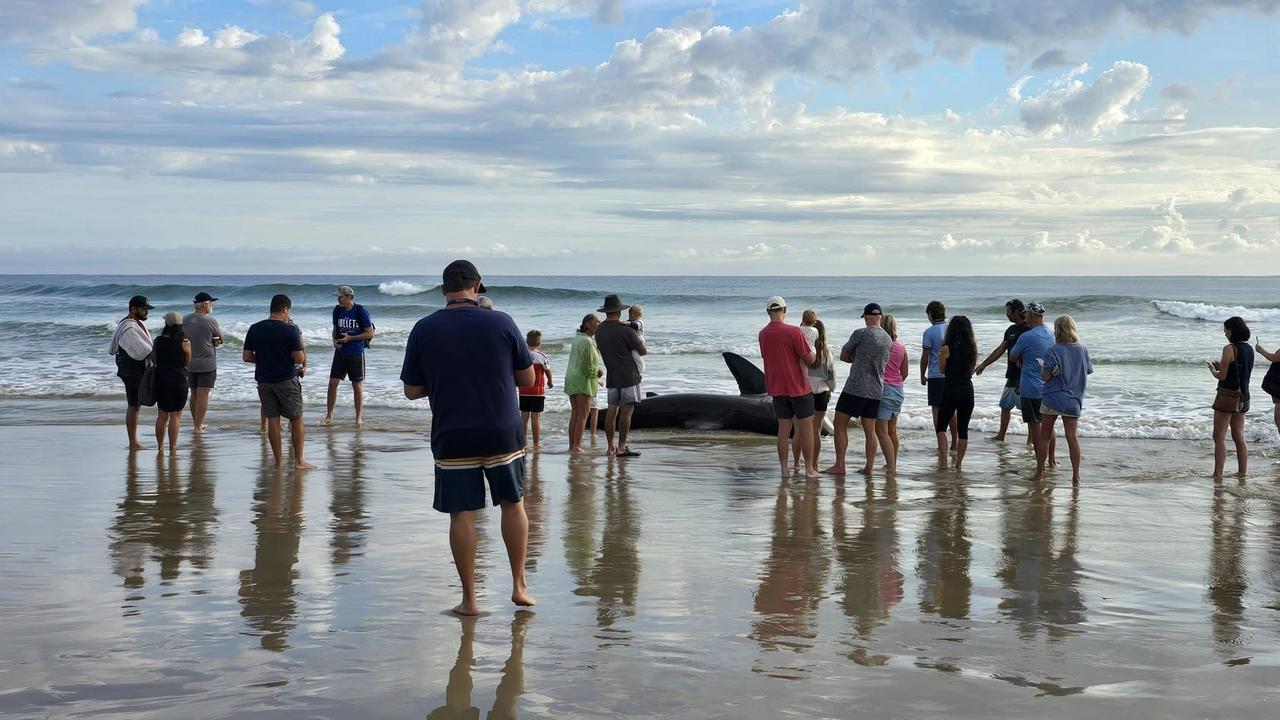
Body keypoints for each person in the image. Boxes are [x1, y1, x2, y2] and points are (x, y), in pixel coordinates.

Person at [400, 259, 536, 616]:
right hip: (501, 429)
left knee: (461, 514)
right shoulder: (502, 322)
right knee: (513, 503)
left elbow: (412, 391)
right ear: (478, 287)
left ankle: (470, 600)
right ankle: (519, 584)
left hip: (452, 431)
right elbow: (525, 380)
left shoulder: (423, 329)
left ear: (445, 289)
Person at [243, 294, 314, 470]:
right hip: (286, 379)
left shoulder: (254, 328)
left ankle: (279, 462)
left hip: (264, 380)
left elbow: (247, 357)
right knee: (296, 418)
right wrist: (297, 359)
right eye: (288, 311)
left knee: (273, 420)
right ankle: (298, 461)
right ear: (284, 309)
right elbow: (298, 357)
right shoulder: (290, 330)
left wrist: (266, 359)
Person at [824, 303, 892, 476]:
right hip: (877, 389)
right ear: (881, 317)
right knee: (870, 431)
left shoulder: (860, 333)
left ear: (867, 317)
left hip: (856, 387)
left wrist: (857, 358)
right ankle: (869, 467)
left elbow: (844, 355)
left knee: (839, 423)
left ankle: (840, 465)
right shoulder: (888, 339)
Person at [758, 296, 818, 478]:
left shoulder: (763, 334)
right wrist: (814, 351)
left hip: (777, 387)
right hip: (799, 386)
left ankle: (784, 470)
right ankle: (809, 469)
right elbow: (809, 359)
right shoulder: (794, 332)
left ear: (768, 312)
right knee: (806, 430)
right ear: (785, 310)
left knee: (783, 431)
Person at [1036, 315, 1093, 483]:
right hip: (1073, 399)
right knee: (1072, 437)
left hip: (1053, 398)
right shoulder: (1082, 349)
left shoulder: (1053, 350)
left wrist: (1044, 369)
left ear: (1057, 331)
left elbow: (1046, 376)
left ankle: (1039, 473)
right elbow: (1087, 371)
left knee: (1045, 436)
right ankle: (1076, 475)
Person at [594, 294, 648, 457]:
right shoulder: (625, 330)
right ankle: (622, 447)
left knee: (612, 410)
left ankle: (610, 447)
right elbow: (643, 351)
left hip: (612, 374)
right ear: (619, 311)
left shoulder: (599, 330)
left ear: (606, 311)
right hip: (629, 375)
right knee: (626, 412)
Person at [975, 299, 1029, 444]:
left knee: (1028, 410)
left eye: (1008, 312)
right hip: (1011, 376)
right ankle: (1001, 435)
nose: (1006, 315)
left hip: (1026, 377)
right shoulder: (1011, 330)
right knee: (1005, 406)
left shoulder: (1029, 329)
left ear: (1017, 312)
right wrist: (984, 364)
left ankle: (1031, 440)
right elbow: (1000, 349)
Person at [1009, 302, 1055, 467]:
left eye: (1027, 314)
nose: (1025, 317)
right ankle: (1052, 460)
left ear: (1033, 316)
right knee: (1049, 427)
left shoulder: (1027, 336)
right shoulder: (1052, 333)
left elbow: (1013, 356)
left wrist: (1022, 358)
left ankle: (1040, 464)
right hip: (1050, 388)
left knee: (1035, 427)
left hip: (1031, 388)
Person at [1209, 316, 1254, 481]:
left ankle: (1218, 473)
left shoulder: (1229, 348)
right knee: (1239, 437)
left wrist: (1214, 371)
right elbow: (1240, 372)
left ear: (1232, 330)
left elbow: (1222, 376)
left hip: (1228, 397)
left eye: (1226, 330)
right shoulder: (1249, 349)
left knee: (1219, 436)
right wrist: (1223, 369)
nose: (1225, 334)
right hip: (1244, 398)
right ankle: (1242, 473)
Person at [323, 285, 375, 427]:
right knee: (332, 384)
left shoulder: (360, 311)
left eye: (340, 297)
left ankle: (358, 417)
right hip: (340, 352)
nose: (338, 299)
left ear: (348, 297)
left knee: (356, 385)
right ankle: (329, 416)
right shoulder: (337, 310)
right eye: (337, 297)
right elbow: (335, 330)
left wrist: (350, 338)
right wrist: (335, 341)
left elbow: (369, 333)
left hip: (356, 352)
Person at [109, 295, 155, 450]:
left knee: (135, 405)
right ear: (133, 309)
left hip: (131, 369)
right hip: (131, 371)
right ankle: (133, 442)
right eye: (144, 309)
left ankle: (133, 441)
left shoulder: (132, 324)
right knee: (134, 405)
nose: (146, 312)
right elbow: (142, 350)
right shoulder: (129, 327)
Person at [793, 309, 835, 470]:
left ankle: (797, 464)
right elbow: (830, 376)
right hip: (821, 393)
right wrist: (830, 390)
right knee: (816, 431)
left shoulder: (800, 351)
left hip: (801, 392)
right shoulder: (826, 352)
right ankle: (814, 464)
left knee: (799, 431)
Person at [935, 316, 977, 470]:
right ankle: (958, 465)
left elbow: (941, 369)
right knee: (963, 429)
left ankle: (944, 461)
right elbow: (971, 369)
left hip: (950, 388)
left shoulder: (946, 348)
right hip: (967, 388)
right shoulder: (972, 347)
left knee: (941, 427)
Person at [183, 291, 223, 433]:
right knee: (203, 394)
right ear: (205, 305)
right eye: (211, 303)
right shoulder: (210, 321)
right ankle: (198, 426)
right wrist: (215, 342)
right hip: (206, 363)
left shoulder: (185, 319)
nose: (212, 305)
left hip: (189, 363)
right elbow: (221, 338)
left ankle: (196, 423)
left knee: (194, 394)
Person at [153, 311, 192, 455]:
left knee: (162, 415)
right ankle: (173, 447)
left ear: (166, 324)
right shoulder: (185, 342)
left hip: (161, 380)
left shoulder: (158, 341)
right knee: (176, 415)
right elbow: (187, 362)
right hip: (179, 380)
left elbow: (154, 360)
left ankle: (160, 447)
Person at [920, 300, 956, 450]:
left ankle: (941, 443)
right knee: (952, 410)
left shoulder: (929, 332)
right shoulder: (952, 329)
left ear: (930, 314)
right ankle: (955, 441)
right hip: (952, 374)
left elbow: (925, 356)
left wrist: (922, 374)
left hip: (936, 375)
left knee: (937, 411)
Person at [875, 314, 909, 472]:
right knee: (892, 430)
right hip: (898, 390)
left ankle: (890, 465)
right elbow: (905, 372)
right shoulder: (901, 347)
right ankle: (892, 461)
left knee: (881, 431)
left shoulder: (882, 344)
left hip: (885, 389)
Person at [565, 314, 602, 454]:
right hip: (582, 381)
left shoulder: (577, 339)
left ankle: (572, 445)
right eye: (597, 322)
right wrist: (599, 373)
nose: (599, 324)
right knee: (583, 414)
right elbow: (587, 367)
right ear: (587, 325)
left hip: (572, 379)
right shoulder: (587, 342)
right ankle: (577, 446)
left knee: (575, 413)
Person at [520, 330, 553, 448]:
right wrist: (550, 380)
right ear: (539, 343)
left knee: (524, 417)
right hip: (537, 392)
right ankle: (536, 442)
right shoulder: (541, 356)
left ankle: (523, 442)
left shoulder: (523, 355)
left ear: (526, 342)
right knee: (536, 417)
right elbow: (547, 370)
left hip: (523, 391)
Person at [1254, 337, 1280, 438]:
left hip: (1278, 386)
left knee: (1278, 419)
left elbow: (1274, 357)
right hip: (1277, 385)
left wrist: (1261, 350)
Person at [627, 304, 647, 377]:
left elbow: (635, 327)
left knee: (635, 355)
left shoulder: (639, 322)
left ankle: (641, 369)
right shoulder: (631, 321)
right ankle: (637, 368)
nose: (630, 316)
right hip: (634, 340)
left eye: (631, 314)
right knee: (634, 355)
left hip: (639, 340)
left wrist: (628, 323)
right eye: (629, 314)